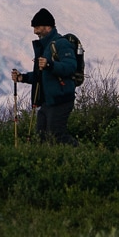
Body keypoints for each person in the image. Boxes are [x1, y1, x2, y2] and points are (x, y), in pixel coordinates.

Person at [11, 8, 80, 144]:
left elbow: (71, 66)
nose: (35, 31)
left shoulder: (61, 44)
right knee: (41, 139)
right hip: (46, 102)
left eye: (37, 27)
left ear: (48, 27)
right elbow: (41, 76)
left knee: (57, 136)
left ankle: (81, 155)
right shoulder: (44, 47)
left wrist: (50, 65)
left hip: (61, 100)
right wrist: (22, 78)